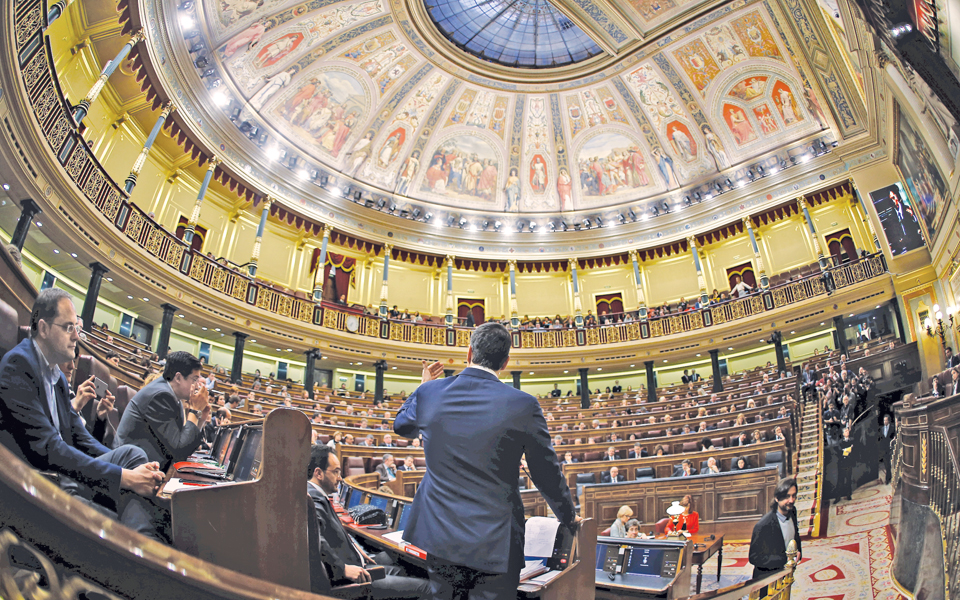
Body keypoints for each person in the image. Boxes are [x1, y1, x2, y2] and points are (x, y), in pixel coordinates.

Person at [394, 322, 578, 598]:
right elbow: (545, 472)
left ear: (469, 353)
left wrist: (423, 387)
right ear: (505, 362)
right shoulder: (524, 404)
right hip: (496, 543)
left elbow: (402, 426)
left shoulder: (430, 392)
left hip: (439, 536)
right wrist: (568, 517)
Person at [0, 288, 165, 540]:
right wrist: (124, 477)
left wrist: (127, 471)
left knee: (132, 455)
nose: (76, 336)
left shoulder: (57, 377)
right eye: (69, 328)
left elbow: (81, 439)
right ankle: (141, 546)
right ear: (43, 329)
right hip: (43, 485)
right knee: (125, 520)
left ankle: (141, 535)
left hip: (66, 474)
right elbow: (49, 449)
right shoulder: (18, 365)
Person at [306, 445, 431, 598]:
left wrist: (357, 551)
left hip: (355, 566)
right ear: (318, 473)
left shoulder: (315, 495)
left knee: (403, 570)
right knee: (426, 587)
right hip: (351, 580)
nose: (340, 477)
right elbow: (315, 539)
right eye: (336, 471)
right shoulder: (314, 499)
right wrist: (342, 568)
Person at [115, 351, 210, 472]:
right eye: (194, 379)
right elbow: (180, 451)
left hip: (147, 464)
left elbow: (183, 443)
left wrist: (201, 418)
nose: (197, 386)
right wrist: (195, 411)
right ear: (178, 378)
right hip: (130, 467)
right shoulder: (161, 396)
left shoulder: (171, 395)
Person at [749, 477, 802, 579]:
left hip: (786, 573)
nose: (791, 500)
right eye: (787, 497)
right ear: (777, 498)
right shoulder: (763, 525)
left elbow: (796, 533)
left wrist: (798, 551)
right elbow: (754, 558)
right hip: (768, 578)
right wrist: (784, 559)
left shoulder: (792, 511)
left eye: (793, 495)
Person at [879, 414, 895, 484]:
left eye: (886, 420)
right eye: (884, 420)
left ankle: (887, 478)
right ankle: (889, 477)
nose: (884, 421)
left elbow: (894, 437)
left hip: (890, 448)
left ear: (888, 421)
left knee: (889, 464)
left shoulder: (892, 428)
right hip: (884, 449)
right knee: (886, 464)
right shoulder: (882, 429)